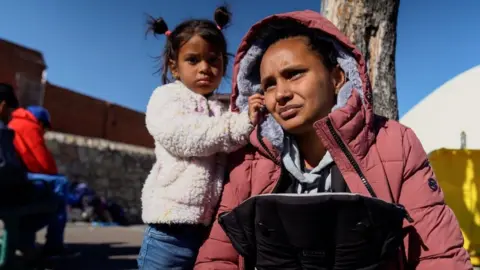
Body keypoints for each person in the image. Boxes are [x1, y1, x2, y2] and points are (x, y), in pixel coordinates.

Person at [195, 10, 472, 270]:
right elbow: (219, 256)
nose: (281, 94)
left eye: (294, 74)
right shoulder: (248, 160)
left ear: (337, 77)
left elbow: (437, 253)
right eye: (269, 84)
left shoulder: (395, 143)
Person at [137, 5, 262, 270]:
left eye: (213, 59)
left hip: (207, 233)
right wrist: (241, 124)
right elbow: (187, 136)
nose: (205, 68)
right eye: (193, 60)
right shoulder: (166, 98)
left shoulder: (223, 109)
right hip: (168, 232)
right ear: (175, 66)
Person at [8, 105, 58, 175]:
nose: (44, 131)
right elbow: (43, 160)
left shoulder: (14, 122)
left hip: (14, 169)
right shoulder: (32, 128)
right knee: (62, 181)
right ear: (40, 123)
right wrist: (54, 172)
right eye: (45, 127)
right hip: (23, 173)